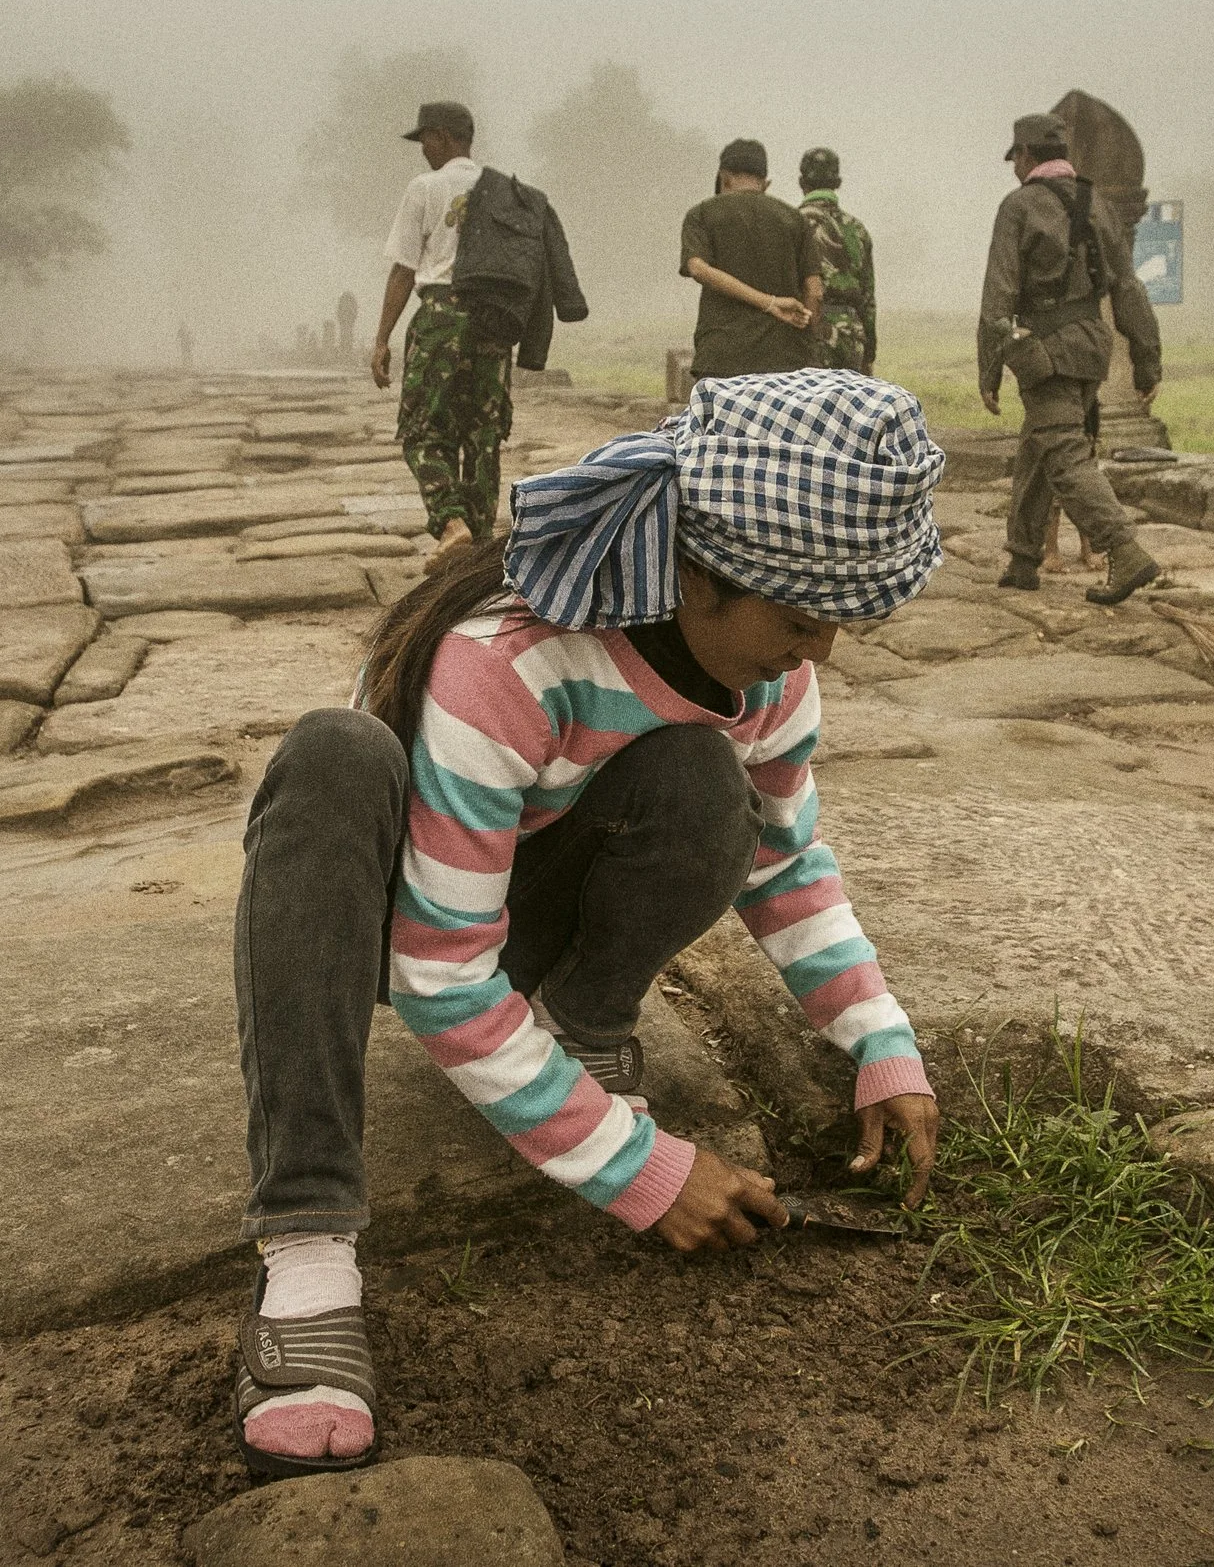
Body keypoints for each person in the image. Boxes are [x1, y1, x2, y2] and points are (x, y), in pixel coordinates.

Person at [230, 369, 948, 1478]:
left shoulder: (764, 679)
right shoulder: (507, 660)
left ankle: (581, 1019)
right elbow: (442, 971)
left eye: (837, 625)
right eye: (800, 621)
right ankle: (310, 1243)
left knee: (714, 779)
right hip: (416, 927)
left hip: (526, 922)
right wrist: (643, 1169)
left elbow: (785, 858)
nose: (819, 655)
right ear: (702, 572)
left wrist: (879, 1041)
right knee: (332, 754)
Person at [977, 111, 1164, 605]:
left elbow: (999, 295)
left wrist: (990, 369)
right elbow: (1127, 286)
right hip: (1091, 345)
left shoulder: (1018, 206)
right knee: (1038, 449)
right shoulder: (1098, 204)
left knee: (1063, 456)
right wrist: (1147, 359)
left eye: (1015, 158)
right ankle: (1022, 560)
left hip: (1044, 348)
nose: (1014, 167)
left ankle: (1124, 550)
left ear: (1025, 156)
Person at [369, 101, 508, 570]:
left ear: (446, 137)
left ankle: (452, 523)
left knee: (423, 430)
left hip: (442, 316)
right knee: (483, 433)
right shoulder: (504, 189)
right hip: (494, 321)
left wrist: (382, 338)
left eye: (426, 138)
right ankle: (485, 549)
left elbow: (404, 270)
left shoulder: (425, 188)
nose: (423, 149)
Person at [679, 139, 820, 380]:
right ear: (765, 183)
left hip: (721, 356)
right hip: (785, 359)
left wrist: (769, 302)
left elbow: (698, 268)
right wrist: (807, 344)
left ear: (724, 178)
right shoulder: (795, 220)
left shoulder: (701, 214)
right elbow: (814, 291)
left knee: (721, 419)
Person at [797, 147, 877, 374]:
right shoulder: (857, 229)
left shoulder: (791, 224)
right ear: (838, 182)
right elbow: (868, 298)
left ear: (802, 183)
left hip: (807, 331)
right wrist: (869, 350)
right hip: (850, 334)